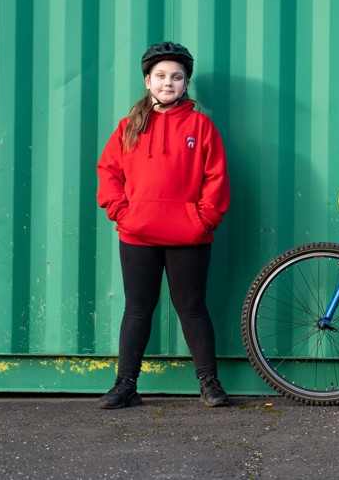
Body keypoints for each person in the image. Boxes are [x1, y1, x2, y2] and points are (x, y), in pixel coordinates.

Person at [96, 41, 231, 409]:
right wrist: (123, 213)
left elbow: (216, 177)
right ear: (147, 81)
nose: (168, 83)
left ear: (186, 83)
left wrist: (203, 220)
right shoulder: (130, 126)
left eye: (176, 77)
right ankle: (126, 385)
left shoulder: (201, 126)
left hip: (189, 236)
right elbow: (108, 172)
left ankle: (209, 384)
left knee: (192, 308)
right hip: (138, 233)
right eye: (160, 76)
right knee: (137, 309)